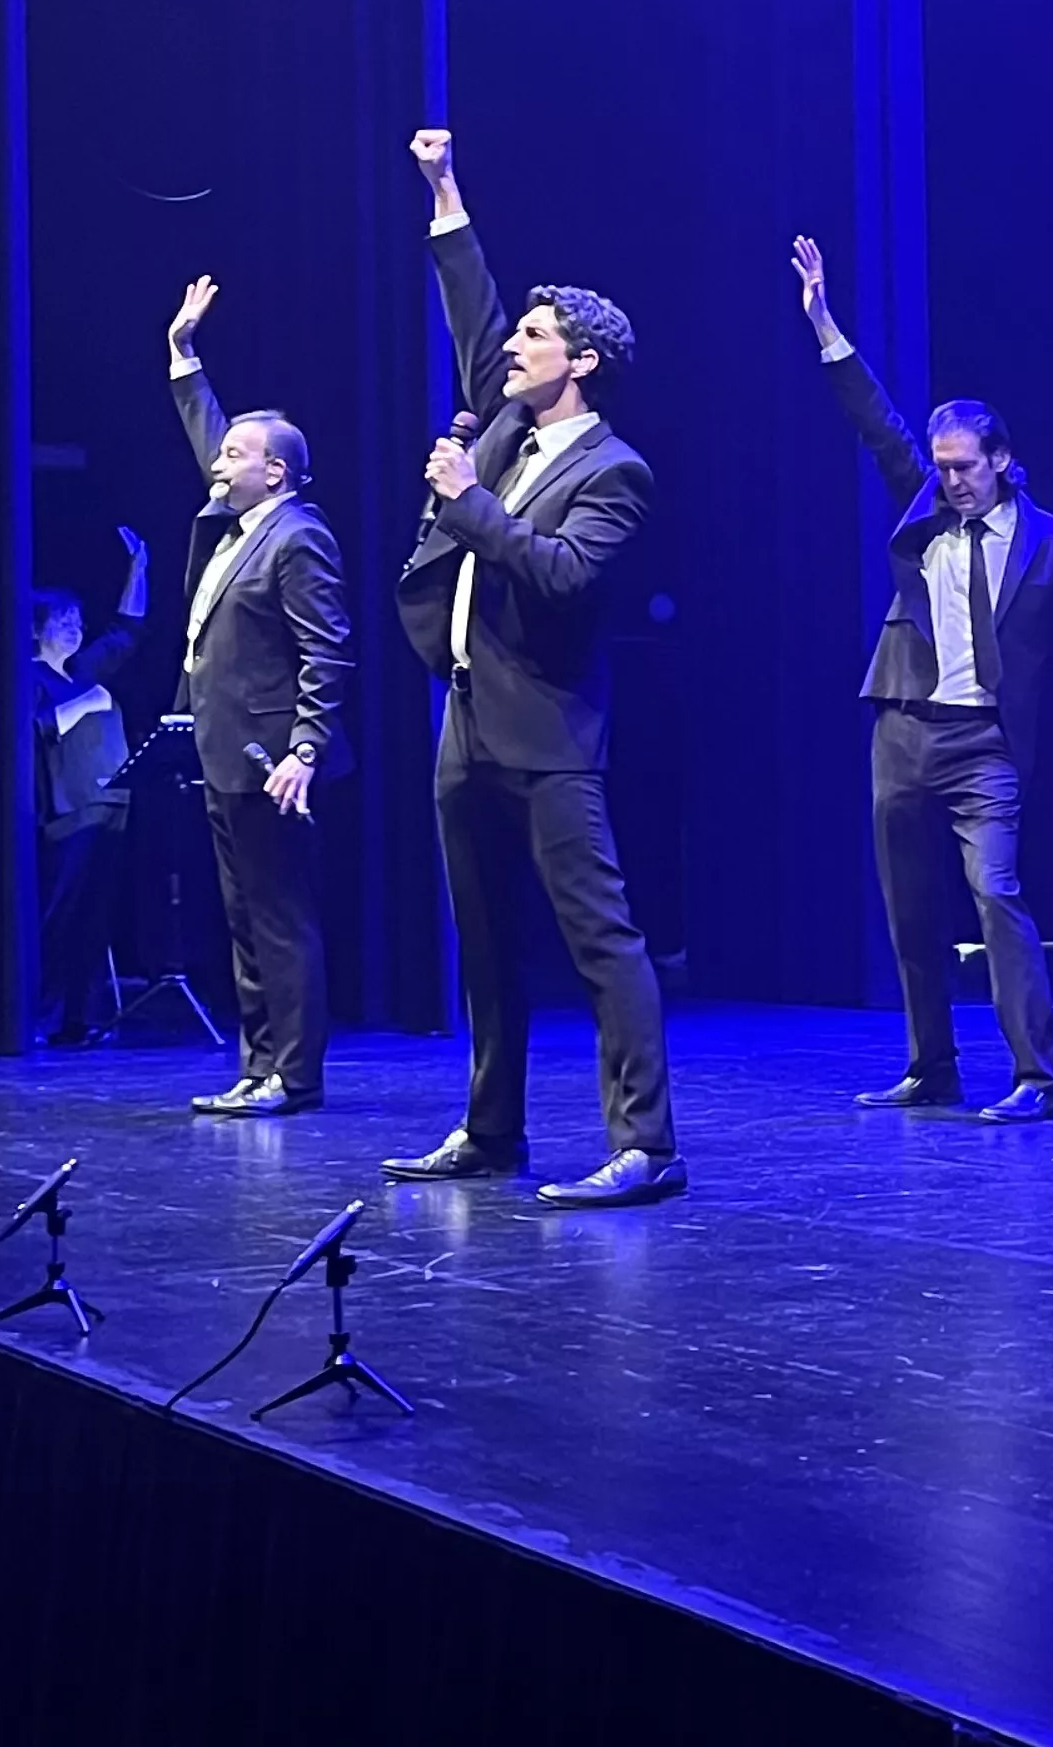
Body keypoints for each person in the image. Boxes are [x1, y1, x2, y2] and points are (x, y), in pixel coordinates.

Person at [381, 133, 681, 1206]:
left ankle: (648, 1145)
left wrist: (467, 498)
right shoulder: (508, 423)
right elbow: (474, 313)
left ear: (582, 362)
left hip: (551, 731)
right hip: (467, 719)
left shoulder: (616, 471)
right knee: (485, 941)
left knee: (600, 937)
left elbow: (557, 574)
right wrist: (445, 192)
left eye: (537, 337)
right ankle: (491, 1131)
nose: (514, 348)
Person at [792, 233, 1053, 1124]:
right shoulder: (924, 503)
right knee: (908, 907)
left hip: (987, 744)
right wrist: (826, 324)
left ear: (1002, 461)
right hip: (902, 724)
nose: (951, 483)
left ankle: (1037, 1077)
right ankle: (930, 1066)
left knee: (999, 894)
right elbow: (876, 420)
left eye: (965, 469)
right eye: (940, 469)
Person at [161, 274, 353, 1117]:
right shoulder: (246, 520)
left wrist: (305, 750)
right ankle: (258, 1062)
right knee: (244, 920)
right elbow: (212, 431)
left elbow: (330, 650)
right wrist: (185, 356)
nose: (219, 460)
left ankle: (296, 1076)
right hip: (226, 754)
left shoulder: (299, 537)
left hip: (275, 761)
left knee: (281, 920)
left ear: (275, 473)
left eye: (237, 455)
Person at [26, 530, 149, 1047]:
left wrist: (138, 570)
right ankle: (44, 1017)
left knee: (95, 919)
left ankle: (83, 1018)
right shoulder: (29, 677)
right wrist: (83, 706)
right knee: (61, 914)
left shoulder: (83, 669)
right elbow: (32, 730)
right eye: (63, 622)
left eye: (77, 621)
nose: (74, 630)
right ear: (36, 632)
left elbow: (126, 630)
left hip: (109, 807)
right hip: (67, 814)